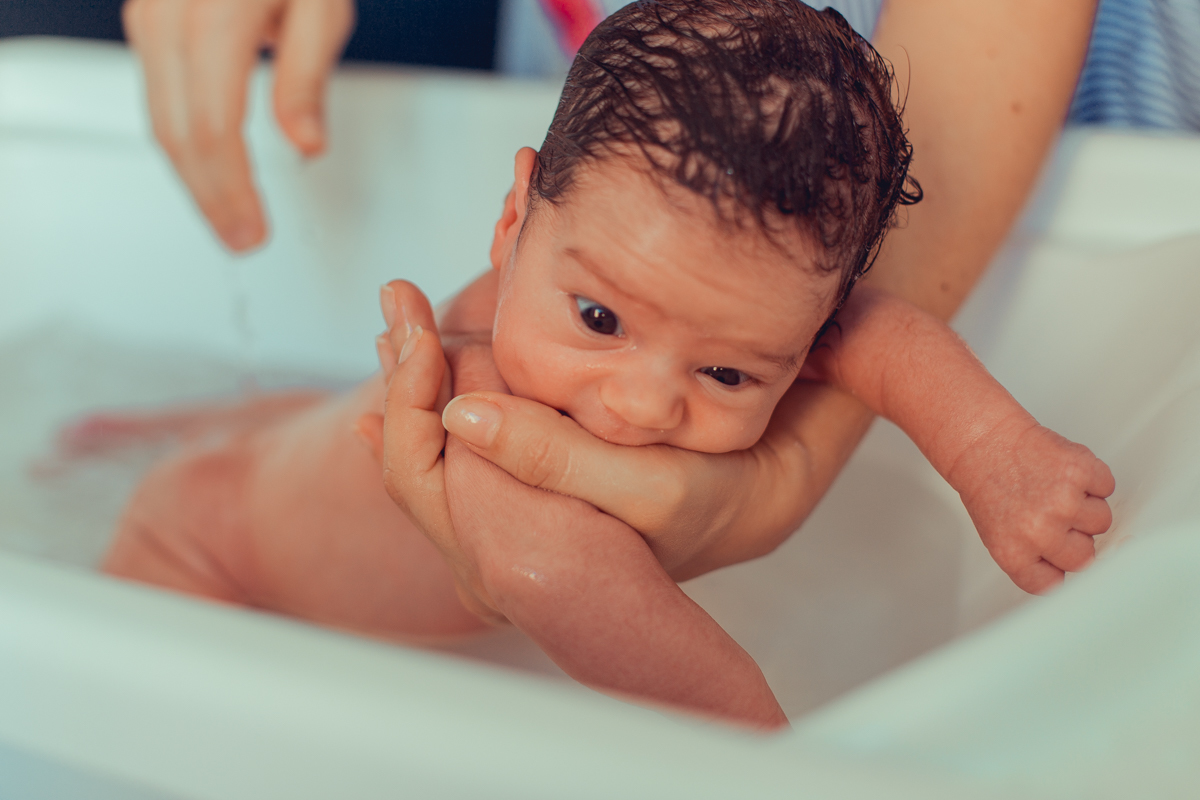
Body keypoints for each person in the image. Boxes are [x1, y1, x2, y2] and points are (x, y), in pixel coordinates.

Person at [98, 2, 1113, 728]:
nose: (638, 402)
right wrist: (771, 756)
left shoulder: (699, 287)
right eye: (599, 318)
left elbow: (882, 337)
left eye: (728, 375)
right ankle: (200, 436)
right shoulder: (490, 410)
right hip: (199, 552)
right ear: (510, 220)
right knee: (156, 720)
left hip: (289, 468)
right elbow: (562, 575)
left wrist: (996, 450)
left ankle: (241, 421)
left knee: (318, 431)